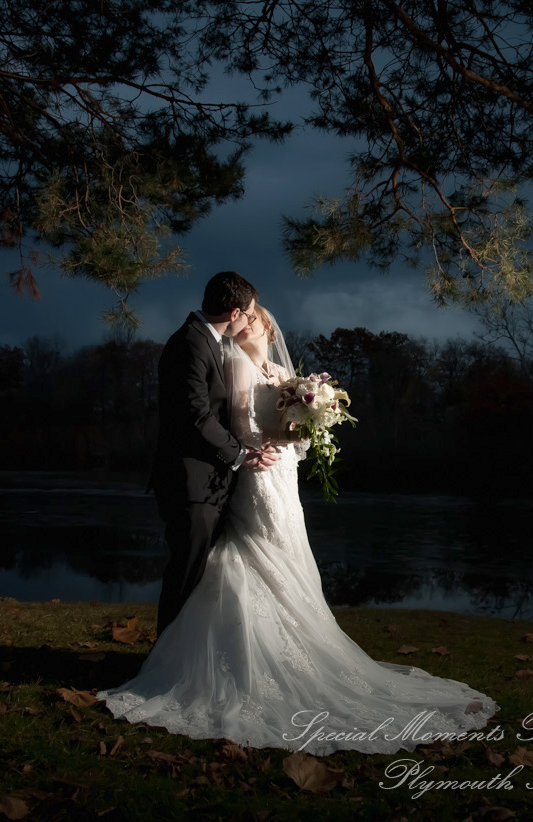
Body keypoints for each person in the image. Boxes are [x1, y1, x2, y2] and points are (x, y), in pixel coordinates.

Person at [98, 304, 499, 756]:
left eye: (253, 318)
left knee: (287, 547)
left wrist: (312, 421)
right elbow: (241, 422)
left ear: (267, 325)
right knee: (246, 552)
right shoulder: (234, 362)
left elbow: (294, 430)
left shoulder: (276, 367)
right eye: (242, 318)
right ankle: (218, 657)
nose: (246, 324)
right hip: (256, 469)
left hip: (281, 471)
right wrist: (263, 446)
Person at [148, 271, 278, 639]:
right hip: (188, 480)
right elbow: (196, 415)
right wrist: (241, 455)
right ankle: (164, 664)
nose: (252, 320)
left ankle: (180, 658)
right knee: (186, 575)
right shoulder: (190, 343)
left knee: (198, 577)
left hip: (208, 482)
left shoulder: (208, 341)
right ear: (235, 312)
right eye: (250, 314)